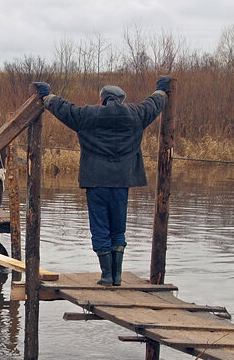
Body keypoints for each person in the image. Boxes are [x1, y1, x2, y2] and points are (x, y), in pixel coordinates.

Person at [32, 77, 171, 286]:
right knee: (118, 228)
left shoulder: (88, 115)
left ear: (101, 100)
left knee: (100, 227)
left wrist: (46, 95)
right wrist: (162, 90)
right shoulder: (135, 115)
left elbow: (64, 109)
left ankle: (106, 275)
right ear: (121, 101)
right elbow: (154, 104)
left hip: (96, 182)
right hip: (121, 182)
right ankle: (117, 277)